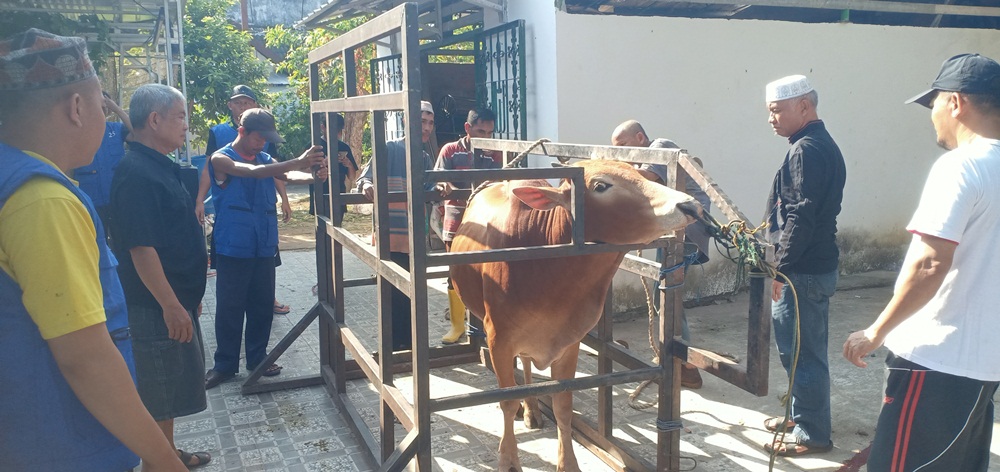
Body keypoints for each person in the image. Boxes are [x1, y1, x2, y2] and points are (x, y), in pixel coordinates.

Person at [0, 28, 185, 471]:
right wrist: (164, 460)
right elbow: (86, 358)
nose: (108, 120)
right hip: (60, 444)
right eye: (103, 105)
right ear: (77, 108)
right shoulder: (44, 201)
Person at [843, 54, 1000, 471]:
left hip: (934, 359)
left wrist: (876, 331)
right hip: (984, 364)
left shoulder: (962, 166)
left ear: (955, 102)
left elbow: (930, 264)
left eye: (932, 104)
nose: (931, 116)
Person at [109, 83, 212, 467]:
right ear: (154, 120)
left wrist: (187, 295)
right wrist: (170, 304)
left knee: (168, 391)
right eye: (181, 116)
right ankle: (159, 462)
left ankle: (168, 454)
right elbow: (142, 248)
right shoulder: (136, 173)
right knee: (159, 392)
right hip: (155, 307)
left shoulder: (155, 164)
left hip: (172, 300)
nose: (186, 124)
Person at [204, 108, 328, 389]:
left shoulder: (265, 158)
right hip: (233, 247)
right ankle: (224, 364)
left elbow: (285, 177)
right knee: (229, 308)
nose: (263, 144)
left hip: (263, 245)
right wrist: (298, 161)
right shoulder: (221, 158)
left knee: (261, 306)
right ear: (242, 131)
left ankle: (258, 359)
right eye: (259, 138)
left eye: (266, 140)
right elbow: (254, 172)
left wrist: (314, 177)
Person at [761, 75, 846, 457]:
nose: (772, 119)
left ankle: (813, 434)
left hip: (803, 271)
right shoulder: (816, 144)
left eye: (777, 111)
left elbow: (801, 215)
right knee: (799, 349)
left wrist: (780, 267)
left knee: (803, 352)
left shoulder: (806, 150)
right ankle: (801, 416)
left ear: (803, 107)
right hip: (812, 267)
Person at [610, 119, 711, 389]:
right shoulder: (645, 161)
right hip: (675, 229)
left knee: (667, 295)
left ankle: (685, 366)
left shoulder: (660, 147)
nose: (620, 153)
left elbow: (645, 179)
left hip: (688, 228)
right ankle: (675, 358)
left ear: (641, 138)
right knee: (665, 293)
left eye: (622, 146)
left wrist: (609, 168)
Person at [195, 84, 292, 315]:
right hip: (234, 233)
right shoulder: (219, 138)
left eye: (246, 102)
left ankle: (266, 313)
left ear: (254, 105)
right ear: (230, 106)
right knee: (232, 303)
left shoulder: (265, 138)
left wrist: (287, 197)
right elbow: (221, 169)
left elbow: (277, 171)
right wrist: (199, 199)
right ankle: (228, 351)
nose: (242, 106)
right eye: (238, 102)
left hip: (263, 229)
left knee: (262, 298)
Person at [357, 100, 439, 351]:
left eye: (430, 123)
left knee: (411, 293)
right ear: (407, 121)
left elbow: (429, 189)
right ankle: (392, 348)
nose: (426, 128)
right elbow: (364, 178)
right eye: (422, 121)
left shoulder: (424, 157)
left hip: (413, 237)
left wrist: (440, 188)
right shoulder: (388, 149)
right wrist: (367, 186)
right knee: (390, 293)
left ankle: (409, 347)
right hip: (390, 235)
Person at [434, 107, 500, 344]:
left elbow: (498, 182)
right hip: (456, 219)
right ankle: (457, 325)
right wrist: (444, 184)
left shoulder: (494, 153)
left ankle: (485, 323)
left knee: (486, 273)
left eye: (490, 132)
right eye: (481, 130)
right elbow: (437, 177)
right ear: (467, 128)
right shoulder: (450, 150)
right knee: (456, 272)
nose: (485, 136)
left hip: (485, 221)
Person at [72, 91, 132, 234]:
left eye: (105, 106)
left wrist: (117, 109)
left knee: (123, 241)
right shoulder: (77, 131)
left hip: (117, 197)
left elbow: (137, 133)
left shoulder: (115, 129)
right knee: (97, 240)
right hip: (91, 199)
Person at [309, 112, 358, 218]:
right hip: (320, 194)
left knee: (338, 226)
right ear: (323, 127)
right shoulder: (314, 147)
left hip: (339, 193)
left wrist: (349, 165)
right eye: (333, 130)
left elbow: (352, 177)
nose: (337, 134)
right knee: (322, 228)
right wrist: (326, 162)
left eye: (339, 131)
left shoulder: (344, 147)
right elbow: (304, 171)